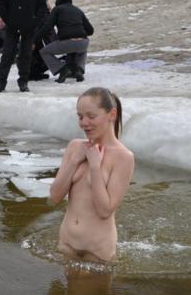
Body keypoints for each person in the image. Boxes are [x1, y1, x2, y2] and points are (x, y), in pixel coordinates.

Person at [49, 88, 134, 264]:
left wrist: (95, 166)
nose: (84, 122)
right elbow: (54, 197)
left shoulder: (123, 157)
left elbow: (104, 210)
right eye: (80, 117)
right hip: (67, 244)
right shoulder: (75, 146)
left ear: (111, 114)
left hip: (97, 252)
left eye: (91, 116)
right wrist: (74, 160)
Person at [34, 0, 94, 83]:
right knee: (82, 49)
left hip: (67, 43)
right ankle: (78, 70)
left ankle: (62, 69)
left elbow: (47, 27)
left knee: (44, 52)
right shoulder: (78, 10)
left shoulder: (57, 9)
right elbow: (91, 30)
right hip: (83, 42)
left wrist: (34, 40)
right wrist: (79, 33)